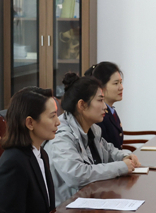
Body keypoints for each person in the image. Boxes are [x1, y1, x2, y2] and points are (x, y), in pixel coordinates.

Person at [46, 73, 140, 203]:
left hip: (88, 200)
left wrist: (125, 156)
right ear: (82, 105)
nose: (105, 107)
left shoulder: (92, 129)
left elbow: (109, 151)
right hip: (66, 209)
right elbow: (77, 175)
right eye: (100, 100)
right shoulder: (61, 136)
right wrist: (121, 167)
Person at [0, 88, 60, 213]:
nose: (58, 122)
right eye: (52, 116)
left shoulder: (41, 153)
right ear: (30, 123)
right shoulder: (13, 164)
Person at [84, 62, 126, 150]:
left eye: (121, 82)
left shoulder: (111, 111)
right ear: (101, 86)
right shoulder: (99, 115)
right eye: (116, 83)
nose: (121, 87)